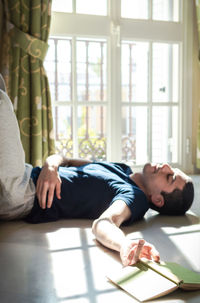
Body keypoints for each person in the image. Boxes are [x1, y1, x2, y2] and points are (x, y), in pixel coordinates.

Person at [0, 74, 194, 267]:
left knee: (2, 103)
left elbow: (104, 223)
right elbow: (65, 159)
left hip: (22, 193)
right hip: (25, 174)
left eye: (170, 177)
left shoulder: (135, 196)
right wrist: (50, 167)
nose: (166, 166)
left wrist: (125, 244)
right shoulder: (122, 169)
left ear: (158, 199)